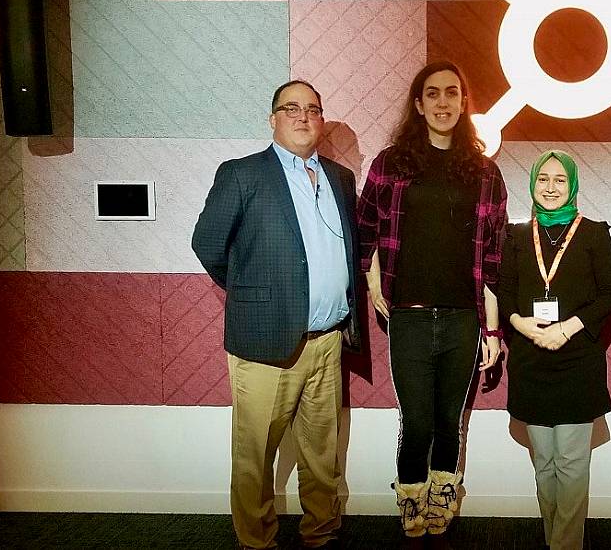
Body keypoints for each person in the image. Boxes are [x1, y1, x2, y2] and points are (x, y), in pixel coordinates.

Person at [191, 80, 359, 550]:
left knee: (322, 454)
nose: (303, 116)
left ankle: (321, 533)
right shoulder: (242, 174)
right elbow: (207, 245)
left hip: (328, 342)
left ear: (321, 120)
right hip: (265, 342)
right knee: (254, 455)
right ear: (273, 119)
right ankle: (257, 541)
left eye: (312, 109)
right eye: (291, 108)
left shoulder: (340, 178)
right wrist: (255, 296)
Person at [356, 61, 507, 546]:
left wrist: (492, 331)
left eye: (452, 93)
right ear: (418, 104)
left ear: (464, 103)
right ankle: (411, 496)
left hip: (464, 317)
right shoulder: (390, 163)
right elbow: (365, 231)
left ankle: (444, 493)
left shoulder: (485, 172)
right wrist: (374, 281)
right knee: (416, 419)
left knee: (449, 421)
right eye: (433, 94)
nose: (443, 102)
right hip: (411, 317)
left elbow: (494, 256)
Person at [498, 150, 611, 550]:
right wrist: (520, 324)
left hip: (577, 360)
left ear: (572, 185)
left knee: (570, 463)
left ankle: (565, 545)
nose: (551, 187)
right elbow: (506, 292)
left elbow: (608, 296)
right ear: (533, 184)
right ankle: (556, 539)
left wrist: (567, 328)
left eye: (559, 180)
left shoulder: (594, 233)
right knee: (544, 465)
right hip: (531, 359)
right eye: (543, 179)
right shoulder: (515, 235)